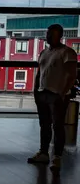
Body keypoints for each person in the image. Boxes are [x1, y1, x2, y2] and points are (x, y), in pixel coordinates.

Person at [28, 24, 77, 171]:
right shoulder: (44, 52)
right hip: (42, 93)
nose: (48, 37)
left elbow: (72, 75)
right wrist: (36, 90)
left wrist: (62, 93)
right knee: (45, 125)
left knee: (57, 126)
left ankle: (57, 157)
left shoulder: (67, 52)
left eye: (52, 34)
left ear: (60, 36)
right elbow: (39, 72)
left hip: (57, 95)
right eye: (48, 34)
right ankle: (44, 153)